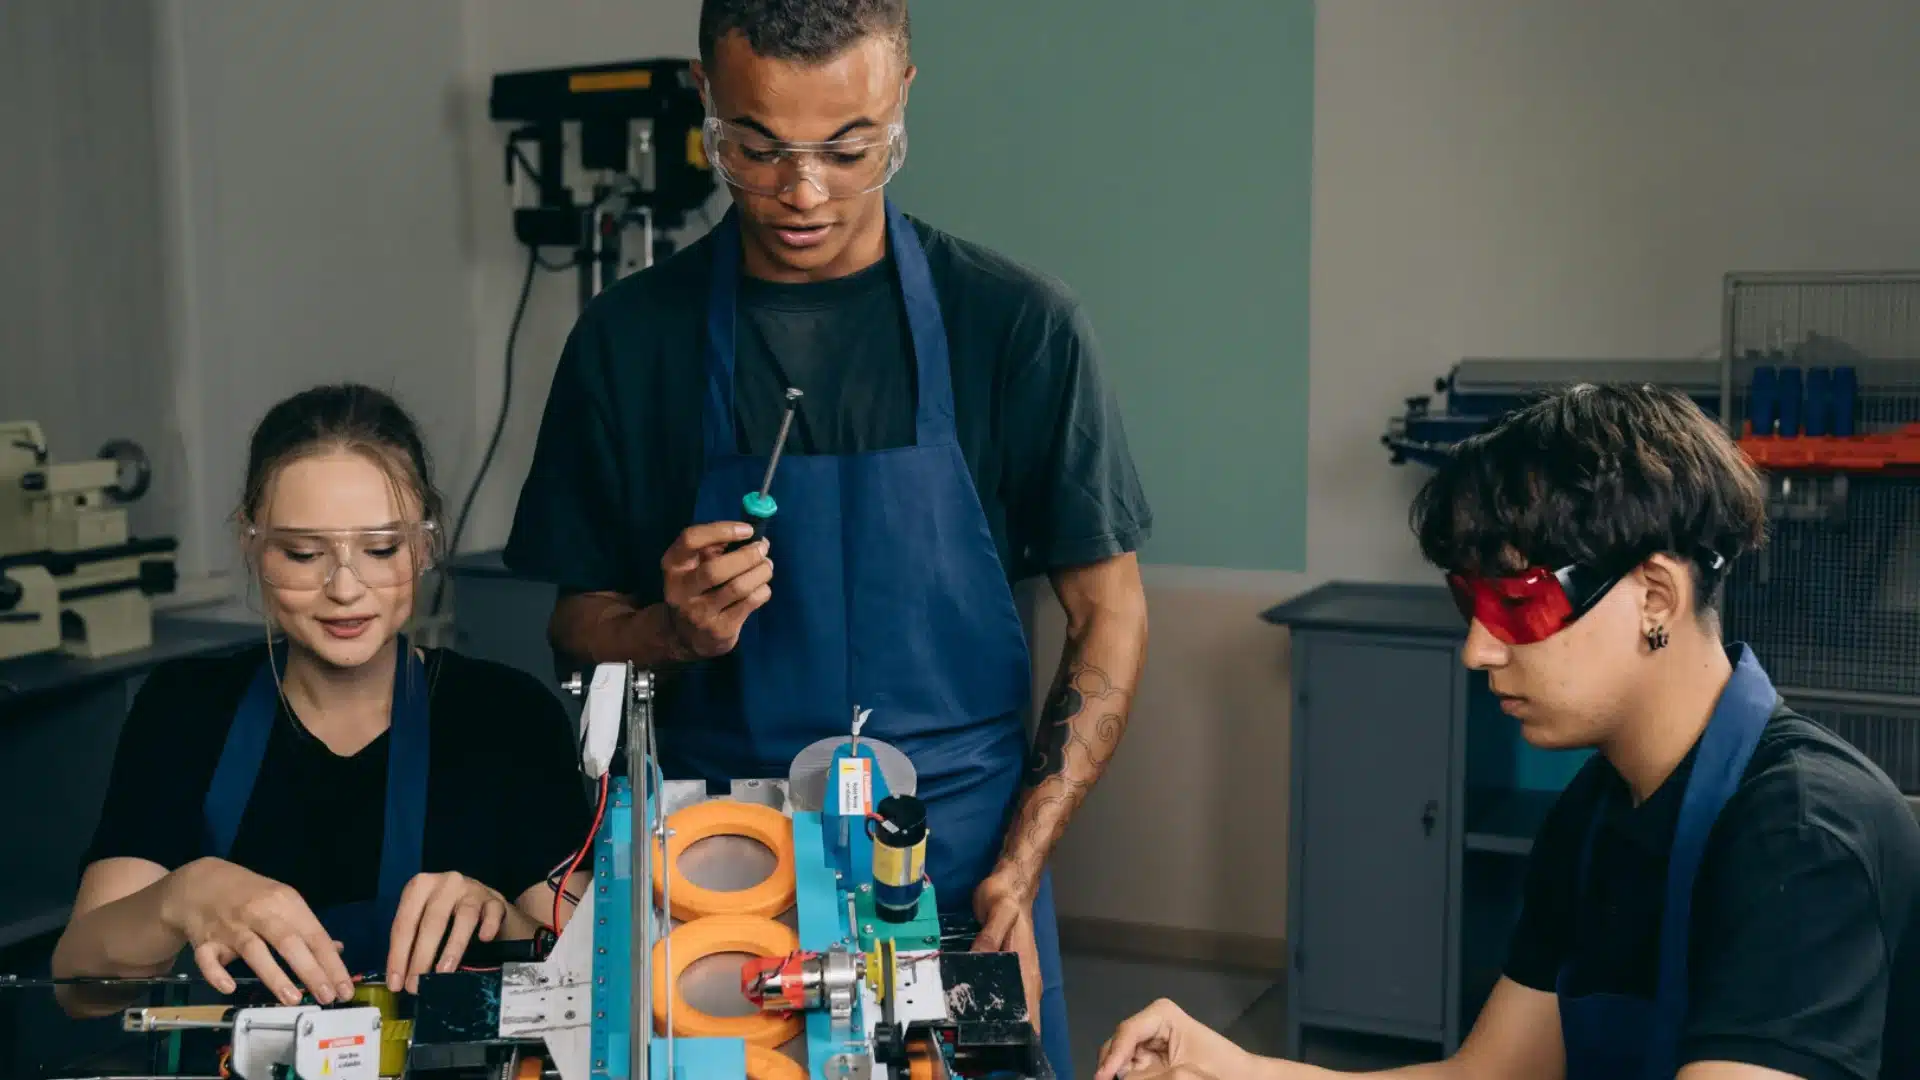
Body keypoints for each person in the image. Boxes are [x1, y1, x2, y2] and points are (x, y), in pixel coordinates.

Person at [504, 2, 1152, 1074]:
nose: (802, 194)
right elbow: (575, 626)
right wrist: (671, 631)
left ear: (902, 96)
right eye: (756, 149)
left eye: (850, 151)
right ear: (706, 96)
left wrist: (1022, 862)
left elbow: (1110, 612)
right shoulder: (628, 341)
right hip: (716, 885)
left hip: (960, 872)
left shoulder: (1017, 328)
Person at [1096, 385, 1920, 1080]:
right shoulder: (1595, 816)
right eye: (1470, 603)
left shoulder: (1800, 836)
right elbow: (1485, 1077)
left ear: (1656, 598)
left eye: (1518, 604)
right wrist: (1231, 1068)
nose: (1478, 649)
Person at [51, 384, 595, 1017]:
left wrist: (498, 919)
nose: (344, 588)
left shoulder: (508, 718)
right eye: (303, 553)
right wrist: (179, 897)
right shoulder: (186, 709)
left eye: (381, 549)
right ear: (252, 543)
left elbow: (590, 984)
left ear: (425, 545)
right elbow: (80, 989)